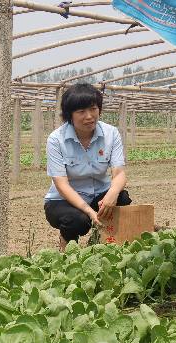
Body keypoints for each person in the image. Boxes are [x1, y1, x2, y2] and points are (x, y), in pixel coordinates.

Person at [44, 83, 131, 250]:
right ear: (69, 115)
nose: (89, 116)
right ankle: (67, 246)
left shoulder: (111, 133)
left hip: (99, 194)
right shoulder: (56, 140)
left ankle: (104, 246)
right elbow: (61, 185)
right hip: (64, 200)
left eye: (93, 109)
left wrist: (112, 194)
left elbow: (119, 173)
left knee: (122, 199)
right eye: (81, 111)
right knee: (78, 221)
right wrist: (89, 212)